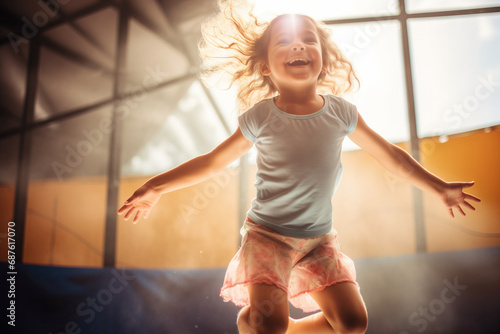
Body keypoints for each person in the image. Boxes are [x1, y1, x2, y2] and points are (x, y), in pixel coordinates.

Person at [118, 2, 480, 333]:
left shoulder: (341, 113)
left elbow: (392, 157)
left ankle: (277, 327)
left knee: (353, 323)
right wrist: (155, 187)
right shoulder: (261, 116)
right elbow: (212, 162)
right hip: (268, 237)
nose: (299, 46)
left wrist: (439, 187)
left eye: (309, 40)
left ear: (323, 59)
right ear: (265, 66)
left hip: (319, 241)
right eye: (285, 42)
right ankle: (256, 324)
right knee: (268, 325)